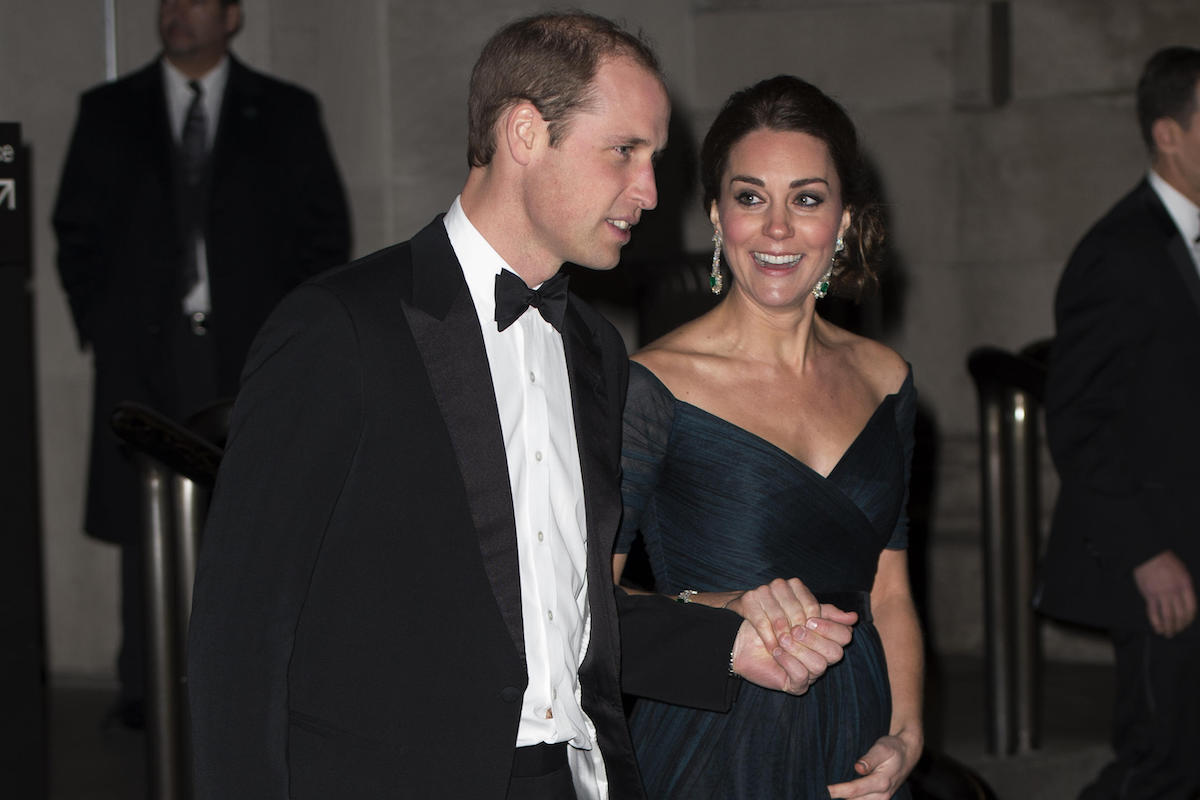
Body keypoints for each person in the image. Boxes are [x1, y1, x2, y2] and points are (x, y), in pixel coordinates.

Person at [187, 13, 857, 800]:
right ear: (524, 133)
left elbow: (561, 614)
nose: (649, 191)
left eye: (654, 158)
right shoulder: (342, 328)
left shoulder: (597, 352)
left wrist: (727, 641)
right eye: (624, 152)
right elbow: (240, 632)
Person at [614, 75, 925, 799]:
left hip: (859, 733)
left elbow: (891, 590)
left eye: (807, 199)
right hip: (718, 732)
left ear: (843, 219)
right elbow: (591, 605)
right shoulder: (651, 386)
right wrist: (721, 607)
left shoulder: (885, 377)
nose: (778, 229)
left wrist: (907, 735)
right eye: (750, 197)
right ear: (716, 217)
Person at [52, 0, 350, 726]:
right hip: (143, 352)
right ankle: (146, 689)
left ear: (232, 16)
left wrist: (294, 347)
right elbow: (75, 231)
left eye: (195, 1)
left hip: (250, 352)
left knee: (250, 514)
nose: (176, 13)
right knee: (142, 510)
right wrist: (103, 326)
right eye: (168, 1)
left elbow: (324, 236)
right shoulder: (109, 109)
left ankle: (246, 683)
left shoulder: (283, 111)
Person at [1037, 46, 1200, 800]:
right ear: (1170, 135)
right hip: (1162, 561)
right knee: (1159, 762)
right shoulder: (1116, 253)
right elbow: (1077, 420)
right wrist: (1146, 553)